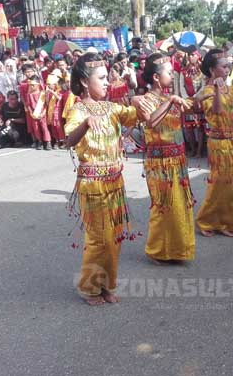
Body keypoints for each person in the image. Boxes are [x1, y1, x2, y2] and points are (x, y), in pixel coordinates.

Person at [63, 52, 151, 305]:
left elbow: (138, 116)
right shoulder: (78, 111)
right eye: (101, 78)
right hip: (93, 184)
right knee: (98, 238)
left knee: (114, 237)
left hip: (115, 182)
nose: (106, 83)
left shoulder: (112, 108)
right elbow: (68, 141)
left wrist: (137, 99)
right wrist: (87, 124)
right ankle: (90, 287)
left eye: (107, 78)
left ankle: (107, 284)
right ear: (83, 82)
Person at [136, 53, 195, 262]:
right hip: (159, 162)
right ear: (155, 77)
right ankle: (158, 250)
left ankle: (178, 249)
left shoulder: (170, 97)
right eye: (169, 72)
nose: (172, 75)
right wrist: (170, 102)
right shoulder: (144, 100)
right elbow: (151, 122)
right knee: (163, 207)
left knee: (179, 205)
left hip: (177, 159)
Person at [195, 49, 233, 236]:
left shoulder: (229, 89)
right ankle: (206, 222)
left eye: (228, 66)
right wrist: (215, 89)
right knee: (218, 184)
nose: (227, 69)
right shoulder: (206, 91)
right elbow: (215, 111)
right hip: (218, 143)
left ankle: (226, 222)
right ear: (212, 70)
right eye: (223, 66)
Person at [26, 75, 51, 150]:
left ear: (38, 84)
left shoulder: (42, 94)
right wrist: (31, 113)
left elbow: (46, 105)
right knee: (36, 128)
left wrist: (43, 113)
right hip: (34, 115)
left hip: (42, 114)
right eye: (30, 85)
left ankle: (47, 142)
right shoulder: (29, 95)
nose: (31, 87)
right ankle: (39, 141)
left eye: (33, 85)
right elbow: (28, 105)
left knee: (44, 128)